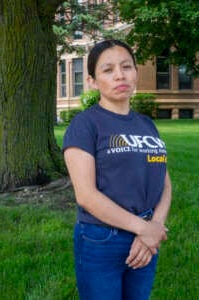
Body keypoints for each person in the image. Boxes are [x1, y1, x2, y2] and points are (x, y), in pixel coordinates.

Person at [62, 39, 172, 300]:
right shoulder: (85, 125)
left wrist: (154, 226)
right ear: (92, 81)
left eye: (126, 67)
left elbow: (164, 183)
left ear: (136, 72)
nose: (120, 75)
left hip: (146, 236)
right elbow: (86, 196)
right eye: (108, 70)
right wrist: (143, 229)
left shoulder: (147, 125)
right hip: (102, 239)